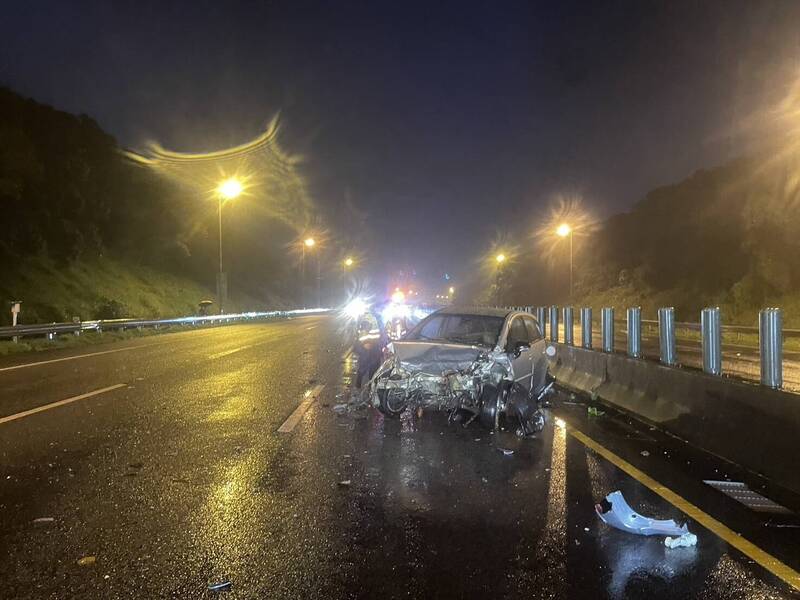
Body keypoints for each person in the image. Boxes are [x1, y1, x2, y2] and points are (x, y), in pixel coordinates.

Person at [353, 312, 385, 388]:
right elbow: (363, 333)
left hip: (374, 346)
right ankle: (360, 385)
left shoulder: (374, 317)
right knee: (366, 366)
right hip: (369, 347)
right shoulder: (368, 318)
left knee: (373, 367)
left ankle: (369, 386)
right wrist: (366, 344)